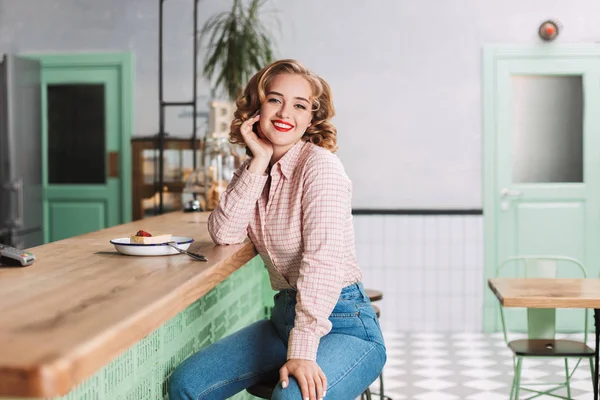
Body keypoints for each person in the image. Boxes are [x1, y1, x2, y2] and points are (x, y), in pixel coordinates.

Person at [168, 59, 386, 400]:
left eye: (300, 105)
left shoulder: (320, 168)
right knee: (187, 385)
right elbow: (224, 233)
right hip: (285, 317)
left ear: (310, 119)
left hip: (343, 322)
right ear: (257, 107)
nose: (286, 112)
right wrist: (257, 161)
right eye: (275, 99)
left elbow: (323, 264)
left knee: (289, 398)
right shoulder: (254, 169)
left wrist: (302, 351)